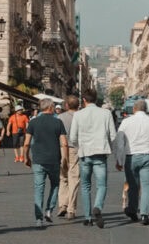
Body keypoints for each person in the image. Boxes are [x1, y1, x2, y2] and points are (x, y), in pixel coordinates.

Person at [69, 86, 117, 229]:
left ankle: (88, 217)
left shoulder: (78, 115)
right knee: (102, 185)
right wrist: (112, 151)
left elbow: (72, 137)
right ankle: (97, 207)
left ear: (83, 100)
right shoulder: (106, 113)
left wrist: (80, 146)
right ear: (96, 99)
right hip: (100, 153)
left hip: (85, 154)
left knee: (85, 186)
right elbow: (113, 135)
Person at [115, 98, 149, 225]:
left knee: (133, 186)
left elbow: (119, 142)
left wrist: (119, 160)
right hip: (148, 156)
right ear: (146, 109)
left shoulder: (126, 122)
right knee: (147, 185)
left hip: (131, 156)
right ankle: (144, 214)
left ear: (134, 109)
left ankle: (132, 209)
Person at [23, 97, 68, 228]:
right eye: (53, 106)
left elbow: (26, 143)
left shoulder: (33, 122)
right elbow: (64, 143)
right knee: (55, 184)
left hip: (38, 159)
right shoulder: (58, 122)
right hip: (54, 159)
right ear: (50, 107)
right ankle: (49, 210)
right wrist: (65, 160)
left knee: (39, 188)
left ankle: (38, 218)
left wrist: (26, 157)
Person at [56, 95, 80, 218]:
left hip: (61, 149)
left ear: (66, 105)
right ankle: (71, 209)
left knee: (63, 177)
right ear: (78, 105)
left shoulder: (60, 117)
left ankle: (62, 205)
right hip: (75, 149)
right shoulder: (81, 117)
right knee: (74, 178)